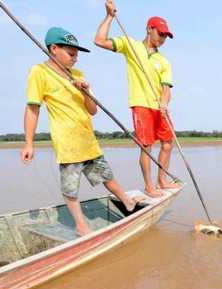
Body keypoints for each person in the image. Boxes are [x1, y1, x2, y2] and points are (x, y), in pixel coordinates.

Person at [21, 27, 142, 236]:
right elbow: (33, 108)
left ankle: (127, 202)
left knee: (107, 176)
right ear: (54, 49)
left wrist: (85, 90)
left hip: (87, 140)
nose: (75, 59)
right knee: (70, 188)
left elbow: (93, 110)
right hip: (67, 144)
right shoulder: (39, 72)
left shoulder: (77, 75)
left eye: (77, 55)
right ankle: (80, 225)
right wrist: (29, 143)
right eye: (71, 54)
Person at [94, 0, 179, 198]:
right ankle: (149, 186)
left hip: (159, 107)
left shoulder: (163, 61)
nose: (163, 38)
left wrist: (165, 103)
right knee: (147, 147)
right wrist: (109, 16)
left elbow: (166, 89)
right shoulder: (131, 45)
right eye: (160, 33)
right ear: (149, 29)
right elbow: (99, 41)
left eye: (166, 36)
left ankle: (162, 180)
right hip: (141, 105)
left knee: (168, 143)